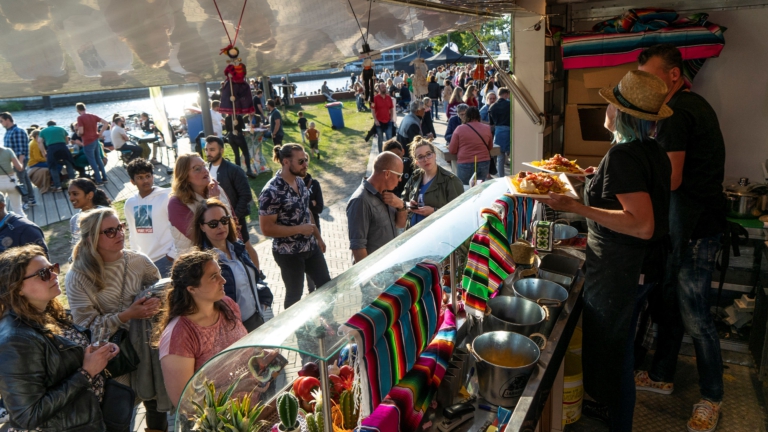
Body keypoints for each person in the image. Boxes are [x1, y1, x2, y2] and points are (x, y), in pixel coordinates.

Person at [544, 70, 672, 432]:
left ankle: (616, 424)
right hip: (642, 268)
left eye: (611, 104)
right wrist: (594, 182)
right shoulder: (649, 151)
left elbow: (641, 223)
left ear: (624, 114)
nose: (606, 107)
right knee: (620, 355)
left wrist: (578, 206)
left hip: (624, 270)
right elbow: (631, 195)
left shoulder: (623, 157)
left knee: (615, 361)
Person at [633, 44, 727, 432]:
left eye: (651, 77)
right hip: (687, 226)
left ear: (673, 75)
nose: (646, 87)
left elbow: (670, 178)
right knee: (669, 301)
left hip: (696, 231)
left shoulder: (678, 113)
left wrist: (630, 179)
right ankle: (661, 374)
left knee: (696, 317)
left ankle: (712, 397)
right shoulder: (694, 104)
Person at [66, 207, 168, 432]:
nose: (120, 234)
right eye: (110, 231)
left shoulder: (139, 261)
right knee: (122, 414)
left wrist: (157, 304)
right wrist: (128, 314)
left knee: (155, 407)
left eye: (120, 227)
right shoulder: (78, 276)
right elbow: (85, 327)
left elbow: (162, 295)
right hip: (114, 359)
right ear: (92, 238)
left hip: (147, 350)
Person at [0, 244, 119, 431]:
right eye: (43, 274)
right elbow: (27, 415)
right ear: (17, 288)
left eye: (52, 268)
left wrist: (95, 352)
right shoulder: (16, 340)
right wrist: (87, 372)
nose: (55, 275)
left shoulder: (44, 310)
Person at [156, 250, 248, 406]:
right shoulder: (178, 335)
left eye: (220, 273)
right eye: (213, 277)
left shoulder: (228, 304)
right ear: (191, 289)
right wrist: (238, 388)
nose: (223, 280)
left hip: (255, 407)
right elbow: (184, 402)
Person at [258, 144, 331, 308]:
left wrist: (318, 238)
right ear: (286, 162)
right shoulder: (271, 191)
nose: (305, 164)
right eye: (301, 161)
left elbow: (307, 212)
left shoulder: (300, 181)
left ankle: (329, 324)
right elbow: (266, 229)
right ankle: (297, 334)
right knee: (295, 297)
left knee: (326, 285)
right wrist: (299, 229)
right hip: (289, 254)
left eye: (305, 160)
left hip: (310, 247)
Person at [190, 199, 267, 332]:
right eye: (213, 224)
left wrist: (264, 299)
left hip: (256, 320)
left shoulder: (238, 247)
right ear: (202, 226)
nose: (220, 226)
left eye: (224, 220)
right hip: (232, 331)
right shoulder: (202, 263)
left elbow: (254, 276)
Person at [204, 136, 260, 268]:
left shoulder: (233, 170)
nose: (208, 153)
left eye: (212, 150)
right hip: (216, 220)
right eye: (206, 149)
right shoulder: (205, 171)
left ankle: (258, 274)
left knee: (245, 246)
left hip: (236, 219)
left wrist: (235, 218)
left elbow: (245, 195)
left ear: (221, 150)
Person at [346, 151, 408, 263]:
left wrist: (401, 205)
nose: (400, 180)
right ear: (387, 174)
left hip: (390, 268)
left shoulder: (388, 195)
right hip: (376, 276)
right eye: (399, 175)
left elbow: (400, 224)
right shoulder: (360, 201)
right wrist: (372, 279)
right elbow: (358, 248)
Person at [168, 153, 231, 256]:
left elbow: (234, 223)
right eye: (197, 169)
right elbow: (201, 236)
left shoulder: (216, 189)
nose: (205, 170)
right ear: (185, 176)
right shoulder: (176, 203)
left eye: (204, 165)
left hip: (229, 253)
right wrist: (214, 201)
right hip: (199, 264)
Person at [124, 158, 175, 278]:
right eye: (140, 177)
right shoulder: (130, 203)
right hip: (145, 262)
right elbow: (133, 234)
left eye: (148, 176)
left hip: (167, 258)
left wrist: (172, 255)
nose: (145, 180)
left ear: (153, 176)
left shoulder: (166, 197)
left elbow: (179, 228)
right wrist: (135, 259)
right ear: (132, 181)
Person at [401, 137, 463, 229]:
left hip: (437, 235)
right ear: (416, 162)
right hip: (413, 233)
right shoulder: (415, 176)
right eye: (421, 157)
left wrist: (434, 212)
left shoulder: (451, 180)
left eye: (428, 154)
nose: (425, 159)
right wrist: (408, 205)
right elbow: (403, 200)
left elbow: (459, 213)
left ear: (434, 155)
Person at [449, 107, 493, 185]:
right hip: (484, 162)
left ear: (466, 116)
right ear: (479, 116)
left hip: (465, 162)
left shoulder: (459, 129)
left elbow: (452, 150)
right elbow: (490, 147)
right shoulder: (487, 128)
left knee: (465, 188)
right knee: (480, 187)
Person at [0, 112, 34, 208]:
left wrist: (20, 164)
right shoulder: (9, 131)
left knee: (20, 180)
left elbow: (21, 150)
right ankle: (31, 199)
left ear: (7, 120)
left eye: (1, 121)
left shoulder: (17, 131)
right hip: (13, 160)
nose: (0, 123)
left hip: (19, 159)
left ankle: (26, 201)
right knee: (25, 178)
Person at [69, 178, 111, 247]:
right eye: (69, 194)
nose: (71, 198)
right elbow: (76, 247)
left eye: (75, 194)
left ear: (90, 195)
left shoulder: (105, 215)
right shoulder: (74, 220)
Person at [75, 103, 109, 185]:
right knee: (98, 159)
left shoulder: (80, 118)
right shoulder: (93, 116)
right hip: (95, 139)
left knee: (92, 161)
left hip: (87, 141)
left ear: (78, 110)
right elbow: (106, 123)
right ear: (85, 108)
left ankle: (98, 180)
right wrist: (100, 133)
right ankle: (104, 178)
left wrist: (78, 133)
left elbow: (82, 132)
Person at [38, 120, 76, 193]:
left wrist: (43, 152)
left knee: (53, 167)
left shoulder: (43, 130)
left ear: (48, 125)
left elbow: (39, 141)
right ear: (55, 124)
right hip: (62, 147)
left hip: (52, 148)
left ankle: (58, 186)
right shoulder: (61, 128)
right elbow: (67, 139)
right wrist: (65, 143)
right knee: (69, 164)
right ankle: (73, 183)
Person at [224, 114, 256, 178]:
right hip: (239, 136)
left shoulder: (227, 118)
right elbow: (243, 127)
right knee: (246, 153)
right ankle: (249, 170)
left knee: (236, 154)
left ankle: (238, 171)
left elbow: (227, 129)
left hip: (231, 137)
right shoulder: (238, 117)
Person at [489, 87, 511, 177]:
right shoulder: (510, 105)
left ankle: (501, 177)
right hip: (509, 130)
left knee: (500, 157)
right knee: (512, 155)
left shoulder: (492, 106)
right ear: (506, 94)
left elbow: (491, 123)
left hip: (498, 131)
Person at [0, 144, 27, 217]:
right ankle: (25, 226)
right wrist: (21, 159)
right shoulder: (8, 151)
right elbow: (19, 167)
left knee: (1, 210)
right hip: (11, 181)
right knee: (18, 209)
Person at [27, 129, 51, 195]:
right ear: (37, 136)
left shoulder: (34, 142)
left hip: (37, 162)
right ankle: (54, 182)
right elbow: (37, 158)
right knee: (55, 166)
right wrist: (47, 160)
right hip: (35, 163)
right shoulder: (35, 144)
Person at [371, 82, 394, 152]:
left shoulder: (388, 97)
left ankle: (390, 153)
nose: (384, 89)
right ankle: (381, 154)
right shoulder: (374, 98)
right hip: (379, 122)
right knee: (380, 139)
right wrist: (375, 120)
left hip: (388, 121)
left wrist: (391, 117)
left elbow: (391, 108)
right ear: (379, 89)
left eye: (385, 87)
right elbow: (372, 109)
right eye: (382, 88)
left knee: (389, 139)